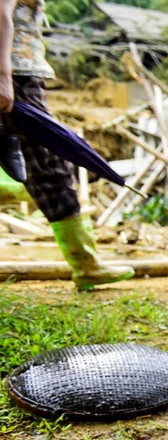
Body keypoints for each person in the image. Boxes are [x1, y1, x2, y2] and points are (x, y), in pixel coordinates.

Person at [0, 0, 133, 289]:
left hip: (16, 73)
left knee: (43, 168)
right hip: (16, 75)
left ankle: (86, 264)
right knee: (49, 166)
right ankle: (86, 265)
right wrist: (3, 77)